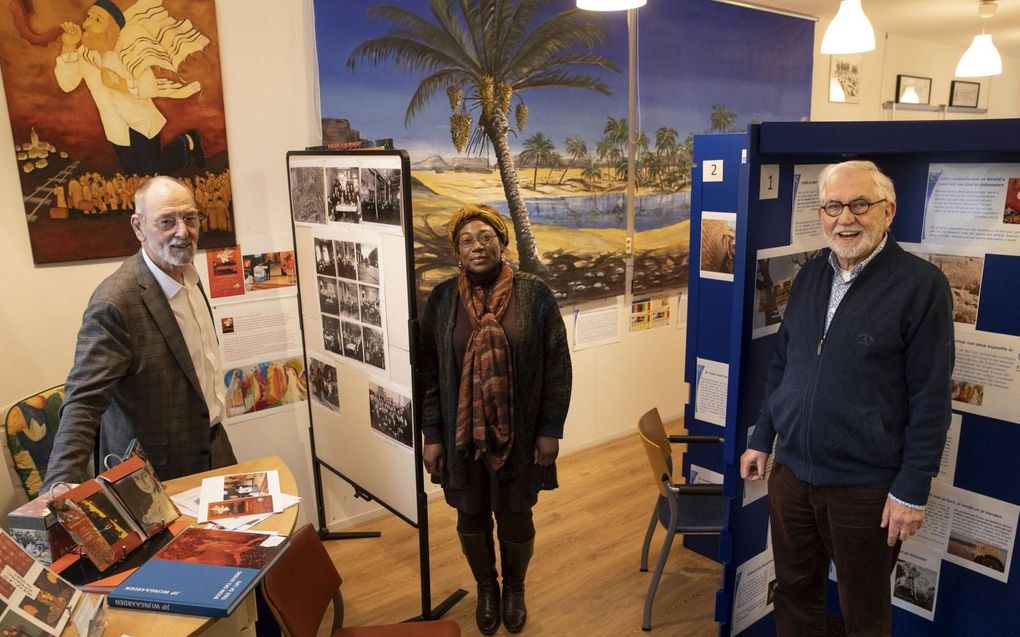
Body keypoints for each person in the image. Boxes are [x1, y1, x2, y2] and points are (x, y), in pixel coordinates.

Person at [739, 160, 954, 636]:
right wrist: (761, 437)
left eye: (860, 204)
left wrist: (912, 489)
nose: (845, 218)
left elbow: (931, 397)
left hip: (864, 489)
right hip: (792, 476)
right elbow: (784, 364)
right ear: (821, 214)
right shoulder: (813, 275)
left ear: (888, 210)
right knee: (794, 591)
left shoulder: (922, 287)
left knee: (863, 610)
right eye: (833, 206)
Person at [418, 204, 572, 635]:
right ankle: (486, 587)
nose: (477, 246)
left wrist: (549, 430)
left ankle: (515, 589)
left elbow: (557, 364)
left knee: (516, 514)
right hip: (462, 436)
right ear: (457, 252)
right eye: (466, 240)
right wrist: (432, 434)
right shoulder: (443, 299)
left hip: (519, 436)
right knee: (470, 515)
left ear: (502, 242)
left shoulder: (534, 294)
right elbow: (430, 372)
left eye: (486, 236)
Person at [43, 176, 236, 491]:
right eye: (166, 222)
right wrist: (59, 485)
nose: (182, 232)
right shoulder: (115, 302)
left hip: (214, 448)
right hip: (154, 475)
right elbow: (83, 401)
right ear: (138, 226)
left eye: (190, 218)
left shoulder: (190, 278)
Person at [54, 0, 207, 176]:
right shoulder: (83, 55)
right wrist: (69, 46)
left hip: (141, 121)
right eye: (89, 17)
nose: (87, 23)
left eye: (97, 20)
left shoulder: (129, 50)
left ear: (112, 28)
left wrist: (121, 84)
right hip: (115, 128)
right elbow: (67, 85)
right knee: (132, 173)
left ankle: (188, 141)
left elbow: (149, 87)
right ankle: (186, 143)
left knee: (152, 170)